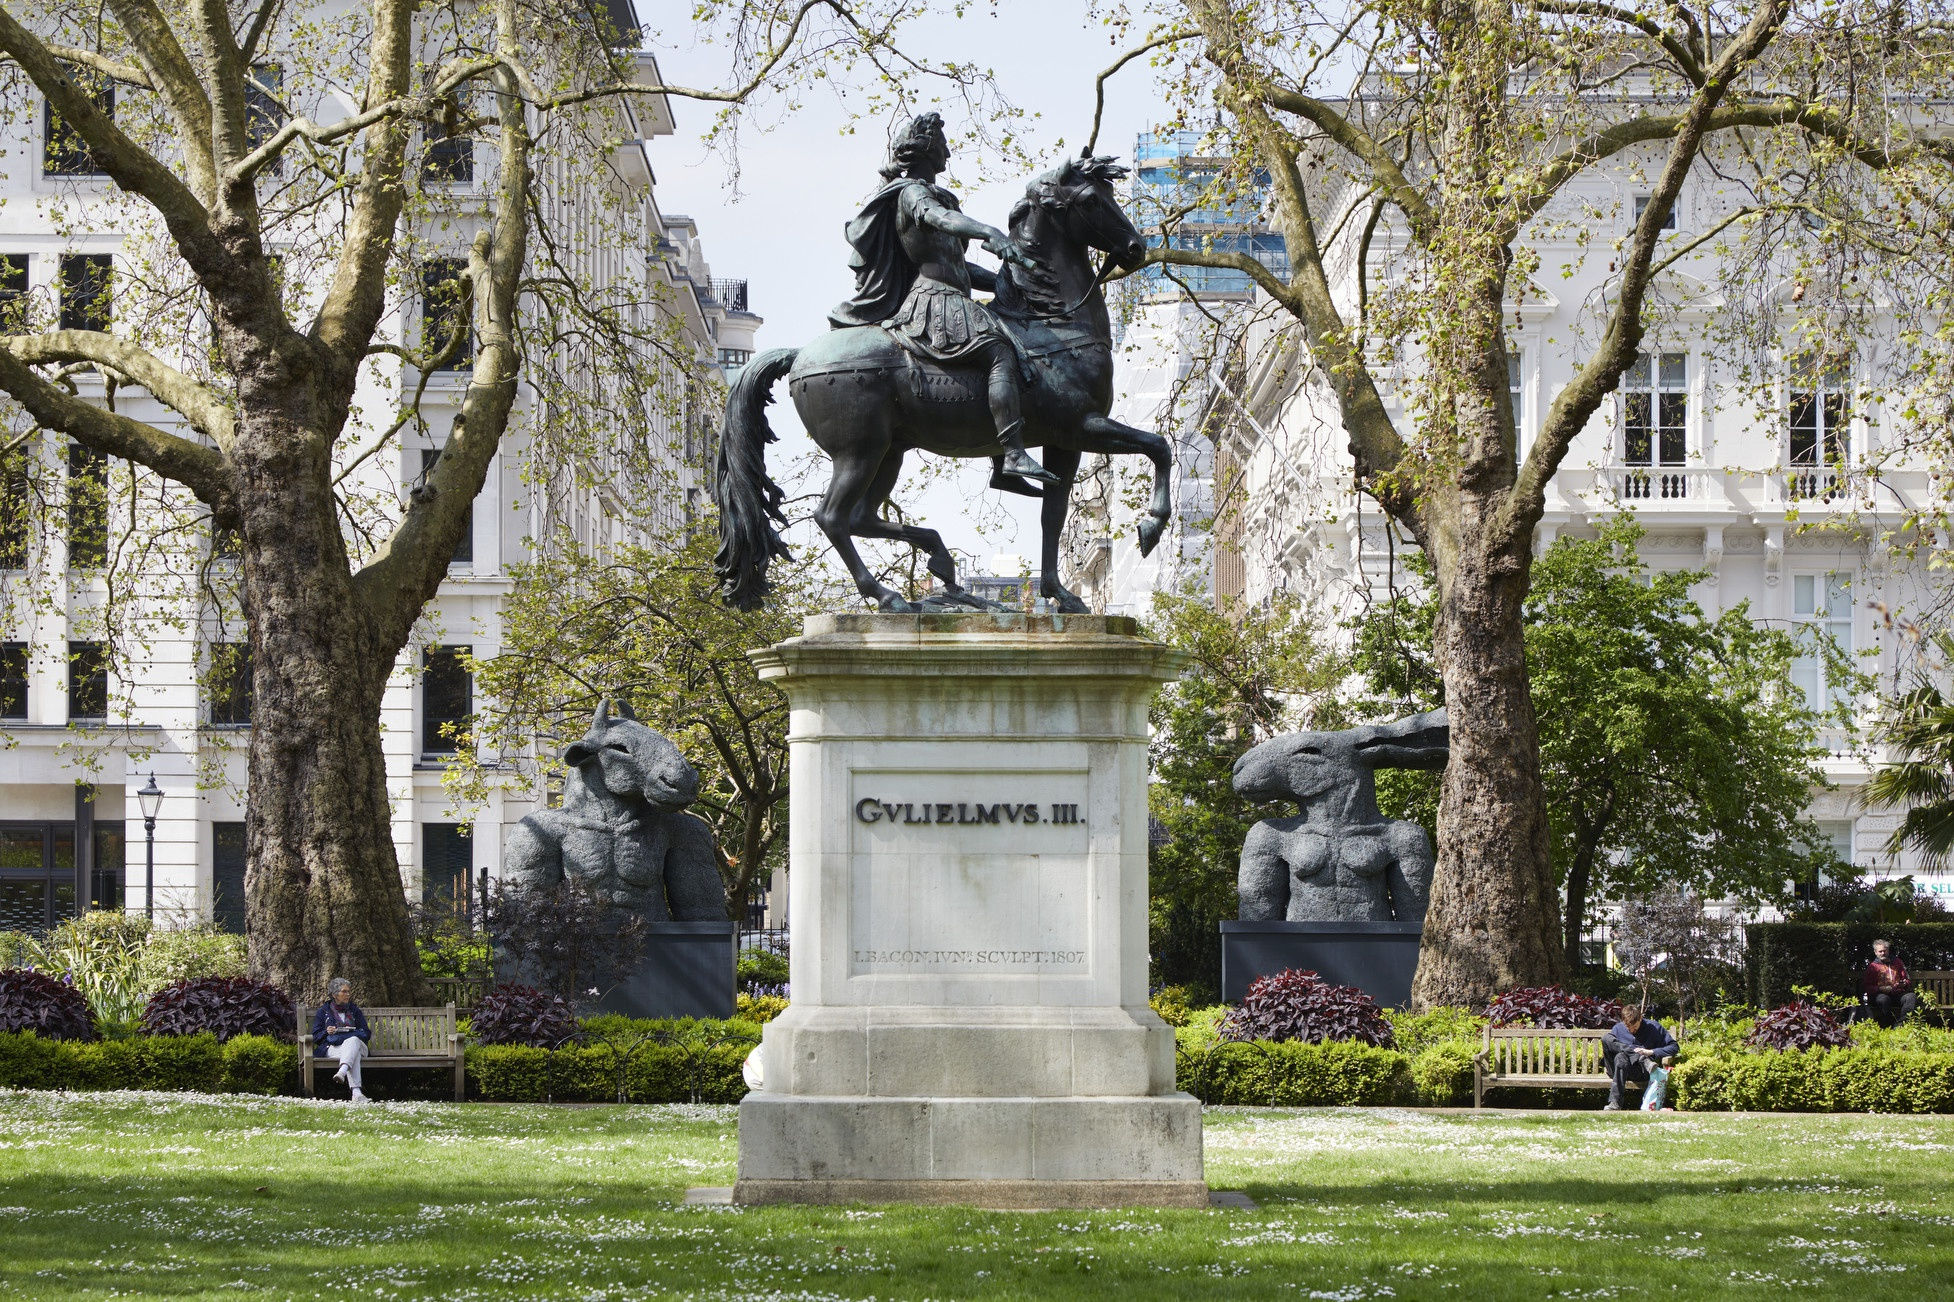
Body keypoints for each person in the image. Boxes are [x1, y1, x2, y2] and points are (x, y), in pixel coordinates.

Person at [828, 111, 1058, 486]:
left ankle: (1003, 462)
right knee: (1000, 350)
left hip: (953, 294)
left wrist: (1014, 275)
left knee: (1016, 343)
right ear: (928, 152)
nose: (948, 155)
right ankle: (1012, 455)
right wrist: (990, 232)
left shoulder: (940, 195)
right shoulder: (913, 194)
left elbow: (960, 266)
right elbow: (939, 220)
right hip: (935, 301)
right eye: (944, 147)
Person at [1602, 1002, 1679, 1111]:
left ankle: (1615, 1103)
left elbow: (1674, 1047)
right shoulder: (1618, 1029)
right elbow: (1611, 1048)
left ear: (1640, 1019)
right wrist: (1636, 1054)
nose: (1631, 1030)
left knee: (1620, 1057)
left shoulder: (1654, 1028)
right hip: (1617, 1070)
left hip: (1641, 1071)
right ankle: (1641, 1059)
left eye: (1634, 1027)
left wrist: (1650, 1052)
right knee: (1608, 1040)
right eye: (1628, 1027)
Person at [311, 977, 372, 1103]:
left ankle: (342, 1071)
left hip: (359, 1046)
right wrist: (326, 1031)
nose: (347, 995)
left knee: (353, 1040)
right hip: (334, 1048)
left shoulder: (354, 1010)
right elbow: (316, 1036)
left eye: (348, 992)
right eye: (344, 992)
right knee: (352, 1054)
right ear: (334, 994)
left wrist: (353, 1032)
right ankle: (356, 1093)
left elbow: (366, 1033)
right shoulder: (324, 1012)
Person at [1862, 937, 1919, 1026]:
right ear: (1875, 952)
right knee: (1884, 999)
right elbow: (1867, 987)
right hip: (1880, 996)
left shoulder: (1898, 962)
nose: (1883, 953)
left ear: (1888, 951)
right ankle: (1887, 1025)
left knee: (1911, 997)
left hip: (1897, 994)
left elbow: (1907, 980)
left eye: (1885, 951)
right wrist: (1880, 989)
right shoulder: (1873, 967)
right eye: (1880, 951)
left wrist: (1904, 984)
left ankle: (1901, 1024)